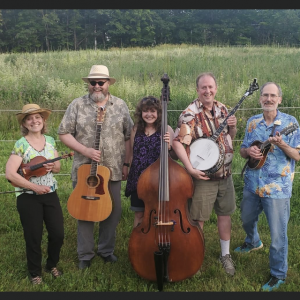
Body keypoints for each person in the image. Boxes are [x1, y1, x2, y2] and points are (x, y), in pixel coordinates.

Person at [58, 65, 133, 270]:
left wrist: (127, 162)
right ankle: (85, 254)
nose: (97, 86)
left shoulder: (120, 105)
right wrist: (85, 150)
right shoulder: (77, 105)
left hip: (114, 169)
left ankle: (106, 250)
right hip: (85, 170)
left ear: (108, 83)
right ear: (88, 84)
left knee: (113, 211)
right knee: (84, 210)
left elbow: (128, 136)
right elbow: (64, 133)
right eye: (93, 83)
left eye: (101, 82)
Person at [234, 82, 300, 291]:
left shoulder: (291, 123)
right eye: (265, 95)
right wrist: (249, 153)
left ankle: (278, 274)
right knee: (246, 218)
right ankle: (253, 241)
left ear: (279, 99)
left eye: (273, 95)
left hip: (277, 189)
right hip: (253, 184)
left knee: (278, 235)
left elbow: (297, 155)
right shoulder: (253, 122)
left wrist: (281, 144)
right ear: (260, 98)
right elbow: (243, 149)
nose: (268, 99)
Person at [172, 72, 237, 276]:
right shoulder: (190, 113)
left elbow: (229, 137)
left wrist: (233, 128)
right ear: (198, 90)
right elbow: (178, 142)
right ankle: (195, 256)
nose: (207, 91)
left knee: (224, 214)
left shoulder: (223, 108)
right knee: (198, 218)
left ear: (215, 88)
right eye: (203, 88)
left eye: (210, 87)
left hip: (225, 174)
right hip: (204, 177)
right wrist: (190, 168)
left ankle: (225, 255)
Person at [5, 104, 64, 285]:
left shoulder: (51, 140)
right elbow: (10, 173)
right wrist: (33, 187)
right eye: (29, 118)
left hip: (50, 193)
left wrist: (51, 166)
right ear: (25, 123)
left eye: (37, 117)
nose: (34, 121)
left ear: (43, 120)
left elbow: (58, 167)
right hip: (28, 196)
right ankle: (35, 272)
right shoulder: (21, 144)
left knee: (58, 234)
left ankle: (51, 264)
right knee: (33, 236)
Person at [125, 96, 178, 227]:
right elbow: (132, 153)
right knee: (139, 214)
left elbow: (174, 157)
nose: (149, 114)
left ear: (159, 113)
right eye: (145, 111)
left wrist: (170, 146)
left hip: (158, 180)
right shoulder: (135, 129)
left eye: (153, 111)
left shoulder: (166, 129)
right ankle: (138, 243)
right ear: (140, 113)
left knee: (158, 214)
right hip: (138, 178)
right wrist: (127, 169)